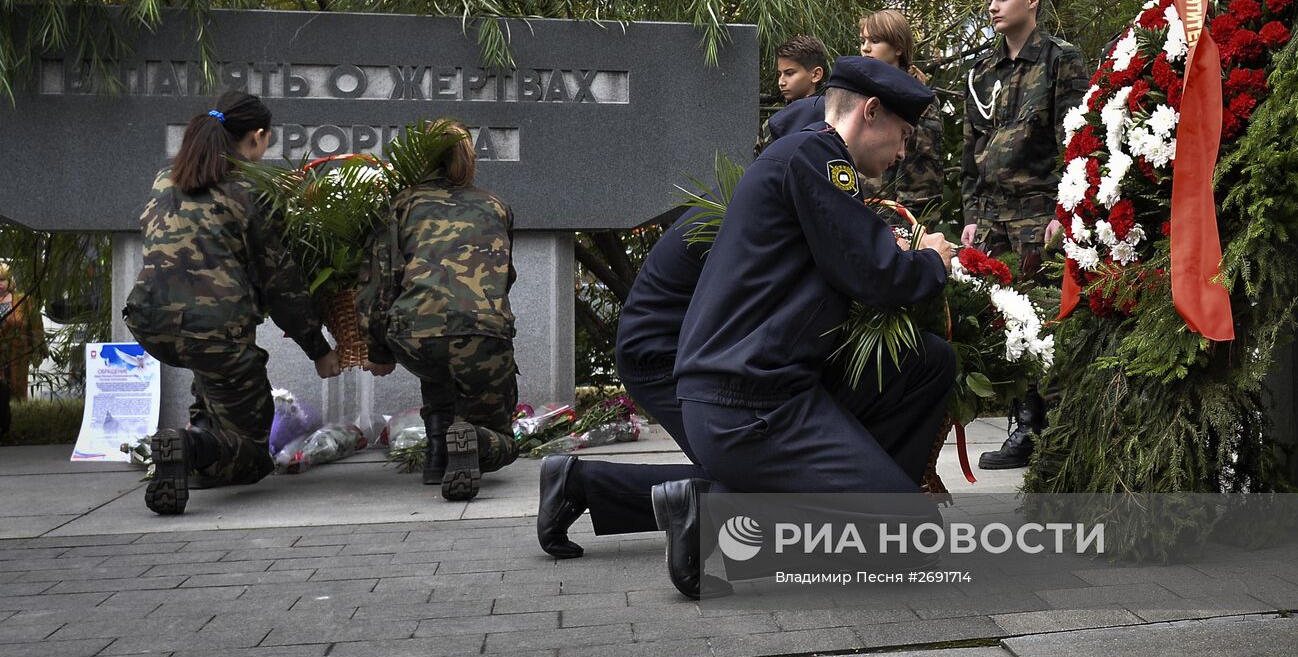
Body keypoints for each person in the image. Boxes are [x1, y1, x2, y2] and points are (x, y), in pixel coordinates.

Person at [654, 56, 959, 598]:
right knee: (915, 539)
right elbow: (873, 273)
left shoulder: (804, 154)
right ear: (870, 112)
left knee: (928, 362)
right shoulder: (817, 157)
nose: (905, 151)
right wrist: (932, 259)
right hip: (751, 405)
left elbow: (848, 255)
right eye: (903, 133)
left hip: (763, 392)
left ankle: (856, 496)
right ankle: (713, 526)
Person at [537, 91, 860, 559]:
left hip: (676, 346)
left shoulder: (754, 194)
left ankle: (580, 483)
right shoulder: (759, 209)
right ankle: (590, 486)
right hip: (667, 355)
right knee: (765, 465)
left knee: (757, 465)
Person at [124, 91, 341, 516]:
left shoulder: (164, 178)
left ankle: (201, 434)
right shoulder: (249, 192)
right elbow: (281, 285)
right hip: (214, 333)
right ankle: (189, 446)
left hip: (150, 324)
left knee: (211, 366)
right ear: (258, 137)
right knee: (253, 456)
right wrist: (320, 350)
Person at [960, 0, 1089, 470]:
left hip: (1039, 211)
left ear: (1032, 1)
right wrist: (971, 214)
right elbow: (972, 152)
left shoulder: (1061, 61)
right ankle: (1022, 425)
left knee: (1045, 320)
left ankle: (1054, 431)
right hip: (991, 218)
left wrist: (1066, 208)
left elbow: (1075, 142)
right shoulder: (981, 72)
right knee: (1004, 324)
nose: (993, 7)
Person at [359, 120, 519, 502]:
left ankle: (437, 455)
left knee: (438, 360)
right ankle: (475, 441)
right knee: (505, 441)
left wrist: (377, 350)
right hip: (483, 335)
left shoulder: (400, 205)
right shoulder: (496, 206)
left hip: (414, 336)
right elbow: (504, 277)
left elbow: (380, 284)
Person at [859, 9, 944, 221]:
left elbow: (921, 178)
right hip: (859, 214)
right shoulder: (859, 93)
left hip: (895, 221)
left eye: (875, 41)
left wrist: (907, 231)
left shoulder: (917, 99)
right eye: (863, 40)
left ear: (898, 48)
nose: (865, 48)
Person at [754, 35, 829, 157]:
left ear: (816, 75)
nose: (781, 82)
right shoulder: (776, 122)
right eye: (780, 74)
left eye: (790, 73)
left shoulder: (835, 116)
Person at [0, 262, 46, 440]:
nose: (0, 284)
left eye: (3, 279)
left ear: (9, 281)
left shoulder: (23, 300)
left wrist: (38, 346)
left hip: (17, 352)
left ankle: (17, 422)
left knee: (16, 388)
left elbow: (36, 325)